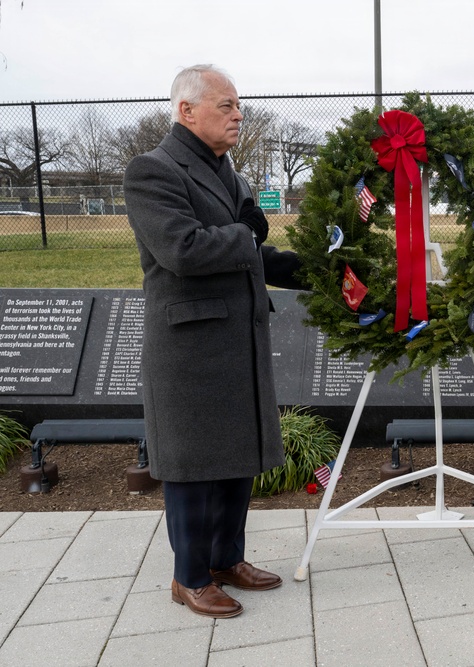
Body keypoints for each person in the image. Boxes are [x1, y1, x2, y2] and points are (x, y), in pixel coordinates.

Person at [124, 64, 305, 618]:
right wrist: (248, 232)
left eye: (237, 105)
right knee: (193, 465)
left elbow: (250, 251)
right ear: (187, 111)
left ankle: (227, 560)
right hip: (190, 348)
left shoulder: (234, 175)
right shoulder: (152, 171)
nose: (237, 114)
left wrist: (314, 268)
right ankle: (189, 576)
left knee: (234, 459)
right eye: (225, 105)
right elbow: (184, 249)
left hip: (237, 341)